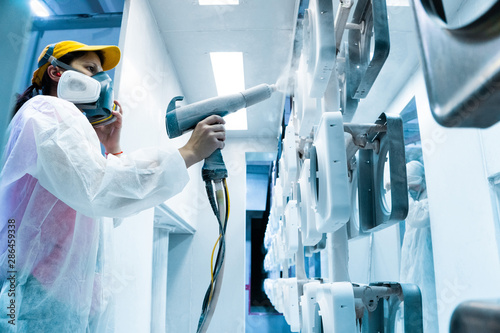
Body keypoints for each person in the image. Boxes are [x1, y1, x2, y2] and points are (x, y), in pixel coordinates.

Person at [0, 40, 226, 332]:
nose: (101, 81)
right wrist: (188, 153)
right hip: (35, 294)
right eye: (90, 69)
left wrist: (111, 148)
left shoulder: (69, 123)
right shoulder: (47, 110)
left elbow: (105, 216)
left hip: (54, 295)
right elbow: (99, 190)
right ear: (57, 73)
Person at [400, 160, 438, 333]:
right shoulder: (416, 203)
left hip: (427, 273)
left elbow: (418, 218)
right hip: (415, 271)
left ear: (422, 181)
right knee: (415, 315)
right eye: (408, 188)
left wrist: (401, 193)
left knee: (429, 316)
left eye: (413, 187)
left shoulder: (432, 199)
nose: (411, 191)